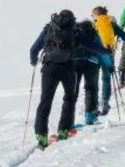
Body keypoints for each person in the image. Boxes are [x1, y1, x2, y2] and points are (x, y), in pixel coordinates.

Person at [29, 9, 111, 147]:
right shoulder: (75, 30)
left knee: (45, 100)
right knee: (69, 98)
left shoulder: (49, 28)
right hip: (68, 68)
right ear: (72, 19)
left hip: (49, 68)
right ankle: (64, 130)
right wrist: (106, 51)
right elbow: (91, 46)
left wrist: (33, 61)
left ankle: (41, 135)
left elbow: (33, 49)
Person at [91, 6, 125, 115]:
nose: (92, 16)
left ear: (97, 14)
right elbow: (124, 36)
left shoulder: (93, 25)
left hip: (95, 56)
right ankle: (105, 101)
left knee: (93, 80)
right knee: (106, 78)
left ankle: (94, 106)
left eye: (92, 15)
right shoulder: (111, 24)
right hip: (109, 55)